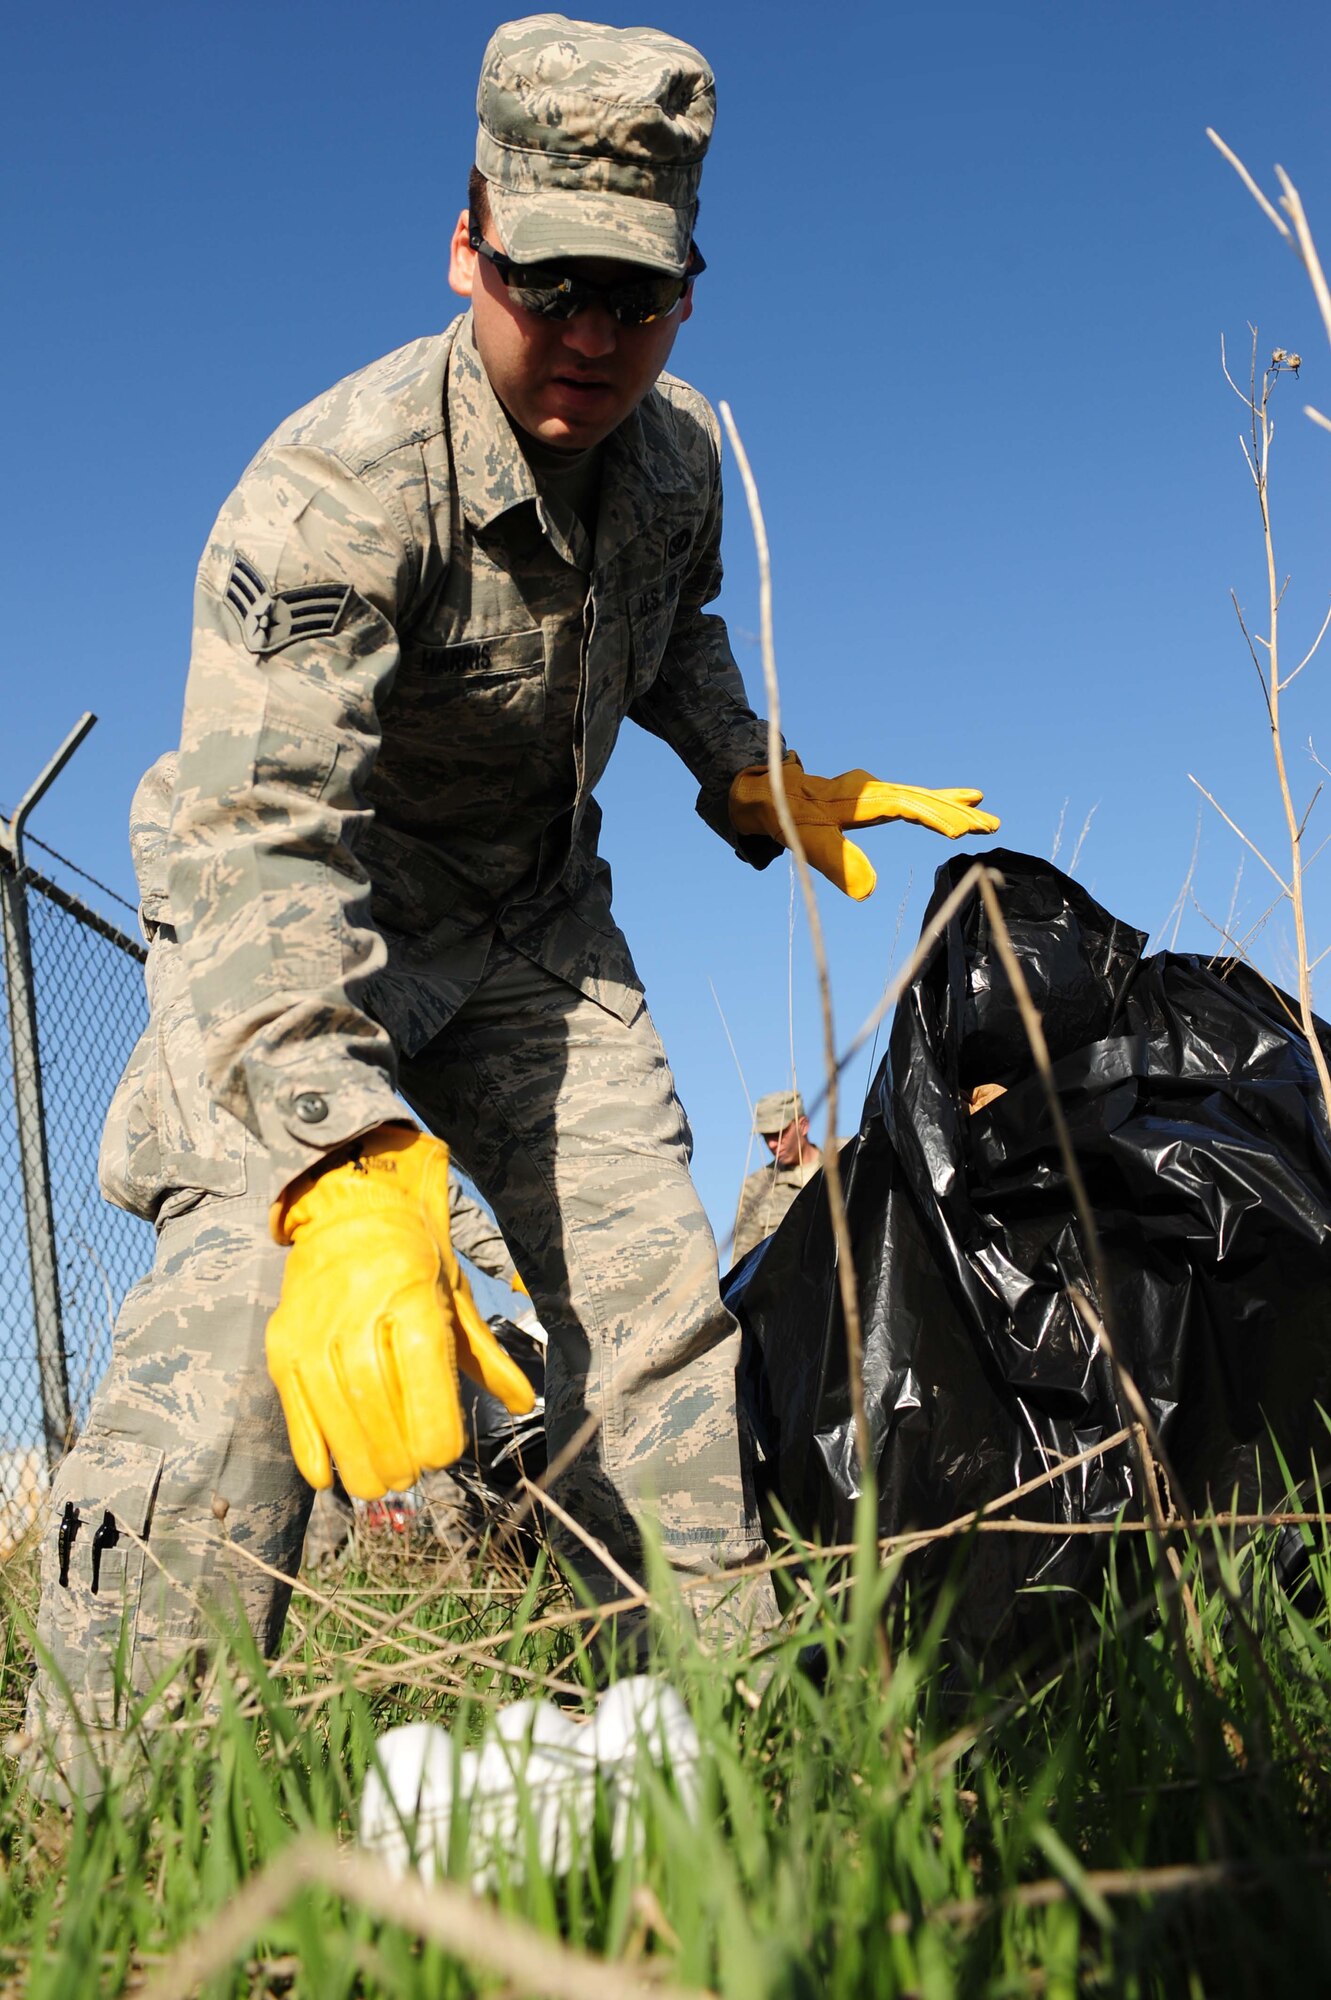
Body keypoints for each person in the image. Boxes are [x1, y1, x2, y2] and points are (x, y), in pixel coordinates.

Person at [24, 13, 998, 1799]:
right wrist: (339, 1155)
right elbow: (253, 842)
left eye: (639, 297)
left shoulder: (681, 457)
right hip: (315, 927)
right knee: (253, 1304)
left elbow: (671, 633)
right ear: (469, 241)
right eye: (552, 283)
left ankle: (731, 1765)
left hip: (541, 933)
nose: (594, 341)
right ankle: (117, 1810)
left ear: (688, 293)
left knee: (657, 1339)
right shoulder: (336, 488)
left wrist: (745, 765)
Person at [731, 1091, 824, 1264]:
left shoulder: (841, 1165)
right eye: (766, 1136)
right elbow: (742, 1262)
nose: (772, 1143)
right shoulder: (756, 1186)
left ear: (803, 1126)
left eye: (779, 1133)